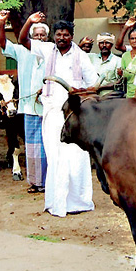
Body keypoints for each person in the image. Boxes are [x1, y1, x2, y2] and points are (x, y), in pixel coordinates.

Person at [19, 14, 98, 217]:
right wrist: (30, 21)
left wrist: (80, 92)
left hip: (75, 114)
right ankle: (56, 201)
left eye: (65, 34)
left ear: (71, 36)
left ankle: (78, 202)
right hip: (52, 112)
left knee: (76, 156)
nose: (61, 37)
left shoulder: (81, 56)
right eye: (58, 34)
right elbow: (22, 40)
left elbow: (93, 84)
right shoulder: (46, 49)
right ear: (54, 36)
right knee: (54, 156)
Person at [0, 10, 48, 194]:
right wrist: (1, 23)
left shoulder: (52, 50)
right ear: (31, 36)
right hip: (29, 107)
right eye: (36, 35)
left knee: (49, 145)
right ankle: (36, 182)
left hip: (49, 107)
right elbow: (3, 43)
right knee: (33, 146)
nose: (40, 38)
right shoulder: (21, 50)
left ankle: (49, 181)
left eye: (43, 35)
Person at [118, 26, 136, 98]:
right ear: (129, 40)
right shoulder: (125, 56)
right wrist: (121, 74)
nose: (134, 41)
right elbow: (123, 76)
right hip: (129, 95)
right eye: (132, 38)